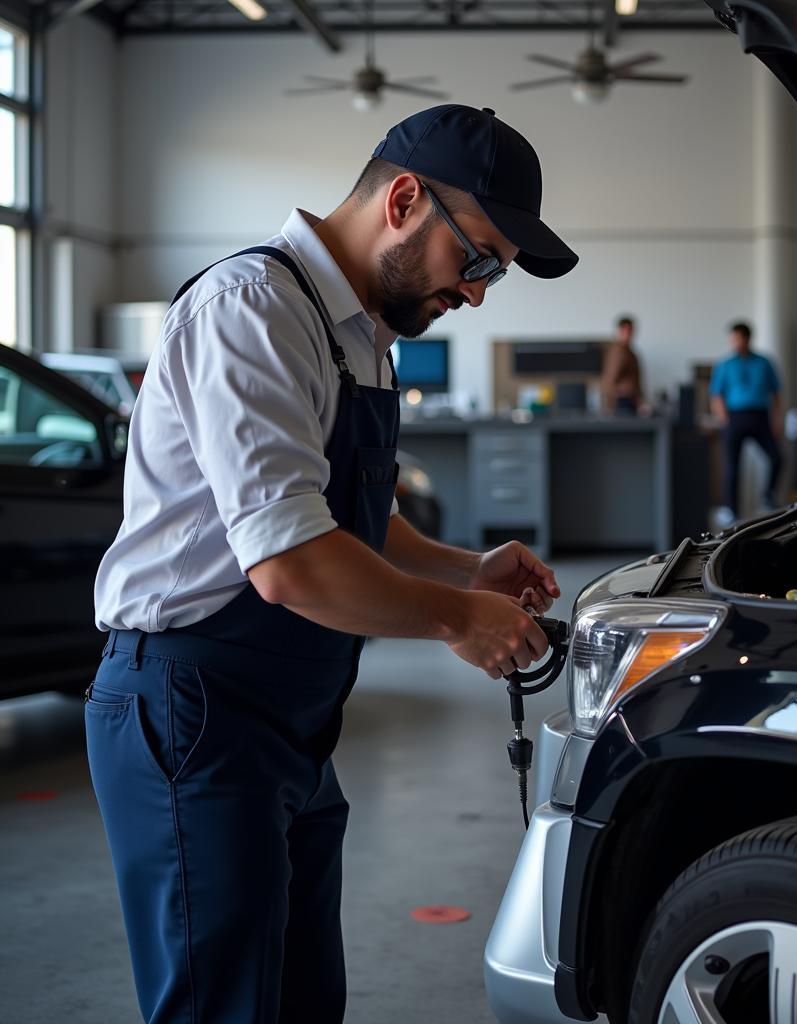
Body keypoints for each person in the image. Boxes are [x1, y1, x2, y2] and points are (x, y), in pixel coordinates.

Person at [86, 104, 578, 1024]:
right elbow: (290, 564)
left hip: (290, 723)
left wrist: (466, 570)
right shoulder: (254, 310)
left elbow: (350, 518)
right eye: (475, 263)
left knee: (305, 1001)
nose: (475, 295)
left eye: (493, 281)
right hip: (193, 708)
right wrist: (452, 619)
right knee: (223, 1007)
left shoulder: (362, 334)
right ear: (402, 200)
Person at [709, 321, 783, 519]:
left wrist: (777, 420)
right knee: (732, 466)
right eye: (732, 338)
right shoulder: (725, 364)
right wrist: (724, 419)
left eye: (738, 337)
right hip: (735, 417)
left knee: (777, 457)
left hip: (760, 416)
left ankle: (767, 496)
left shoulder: (764, 362)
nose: (734, 342)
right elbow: (717, 394)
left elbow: (776, 393)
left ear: (747, 338)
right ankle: (732, 509)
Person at [601, 314, 644, 414]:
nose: (629, 334)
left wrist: (639, 400)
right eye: (626, 330)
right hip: (621, 401)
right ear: (620, 331)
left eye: (631, 330)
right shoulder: (618, 352)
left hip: (630, 399)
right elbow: (611, 378)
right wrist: (608, 402)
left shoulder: (629, 351)